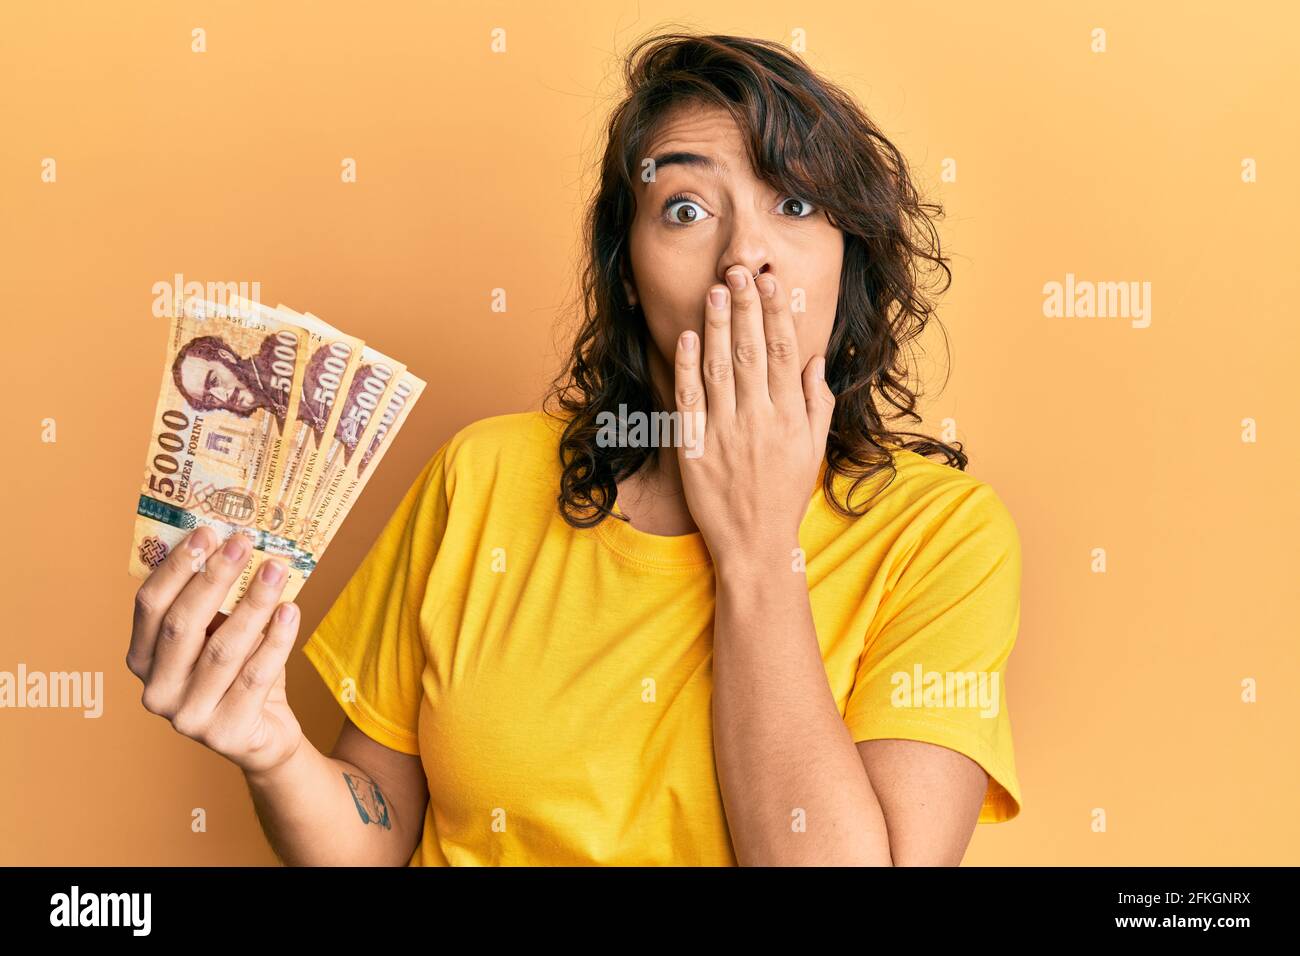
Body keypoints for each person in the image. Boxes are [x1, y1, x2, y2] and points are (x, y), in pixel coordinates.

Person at [127, 31, 1024, 866]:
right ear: (628, 276)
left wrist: (756, 546)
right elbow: (378, 829)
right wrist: (273, 750)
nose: (744, 256)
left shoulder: (943, 539)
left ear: (848, 259)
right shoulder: (482, 477)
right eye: (684, 208)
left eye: (793, 202)